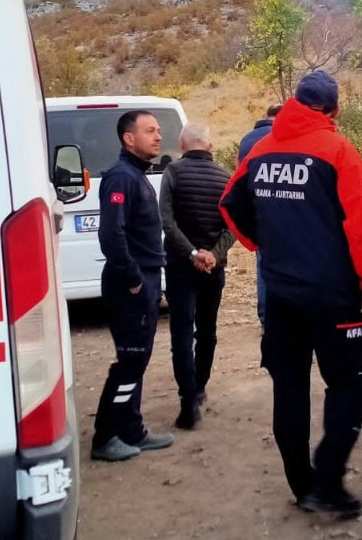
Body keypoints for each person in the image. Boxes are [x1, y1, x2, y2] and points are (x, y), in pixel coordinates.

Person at [221, 71, 362, 518]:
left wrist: (267, 247)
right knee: (351, 383)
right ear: (333, 110)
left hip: (281, 296)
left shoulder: (260, 150)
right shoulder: (337, 150)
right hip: (333, 295)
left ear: (294, 102)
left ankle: (302, 485)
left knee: (289, 389)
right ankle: (327, 481)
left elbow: (230, 204)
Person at [90, 110, 176, 462]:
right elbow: (111, 235)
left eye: (158, 130)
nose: (158, 136)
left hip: (147, 279)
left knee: (137, 361)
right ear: (129, 138)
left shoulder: (137, 175)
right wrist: (134, 281)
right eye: (150, 131)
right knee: (129, 362)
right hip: (131, 285)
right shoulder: (121, 178)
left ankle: (132, 429)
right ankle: (105, 436)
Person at [159, 122, 235, 430]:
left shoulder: (173, 173)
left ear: (181, 144)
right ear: (210, 147)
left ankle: (187, 399)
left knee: (181, 330)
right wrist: (212, 255)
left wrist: (191, 253)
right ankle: (200, 387)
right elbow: (233, 226)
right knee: (207, 329)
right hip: (213, 269)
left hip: (180, 265)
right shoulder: (226, 178)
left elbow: (166, 219)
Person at [237, 103, 283, 326]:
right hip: (282, 210)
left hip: (256, 211)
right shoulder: (280, 135)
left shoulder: (246, 139)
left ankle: (265, 316)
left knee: (263, 264)